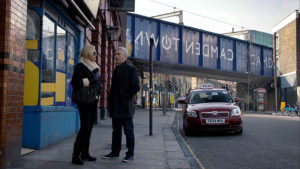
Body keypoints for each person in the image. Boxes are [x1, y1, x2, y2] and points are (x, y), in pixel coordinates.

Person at [102, 47, 140, 163]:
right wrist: (110, 104)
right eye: (115, 54)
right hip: (115, 107)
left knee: (128, 131)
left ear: (125, 56)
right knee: (116, 131)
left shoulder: (131, 69)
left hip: (125, 107)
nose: (116, 56)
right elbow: (113, 89)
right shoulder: (116, 69)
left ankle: (130, 154)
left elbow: (136, 87)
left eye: (118, 54)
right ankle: (115, 152)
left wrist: (125, 96)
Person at [71, 44, 102, 165]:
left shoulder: (95, 66)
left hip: (93, 99)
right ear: (88, 53)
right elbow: (75, 82)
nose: (96, 55)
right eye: (94, 53)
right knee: (85, 126)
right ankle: (75, 155)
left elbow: (96, 83)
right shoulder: (81, 66)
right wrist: (88, 81)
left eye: (96, 53)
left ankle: (85, 152)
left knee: (89, 127)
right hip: (84, 100)